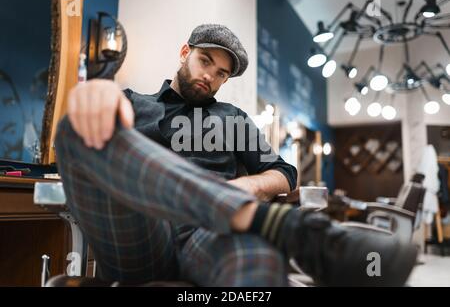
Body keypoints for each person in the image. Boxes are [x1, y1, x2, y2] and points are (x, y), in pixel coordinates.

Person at [55, 24, 417, 287]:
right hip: (140, 234)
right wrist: (100, 95)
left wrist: (249, 185)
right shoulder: (134, 104)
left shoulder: (233, 119)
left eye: (221, 73)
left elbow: (284, 172)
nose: (210, 76)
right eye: (205, 61)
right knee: (76, 128)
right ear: (185, 53)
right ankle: (288, 228)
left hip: (211, 232)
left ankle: (255, 220)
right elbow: (87, 148)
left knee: (259, 258)